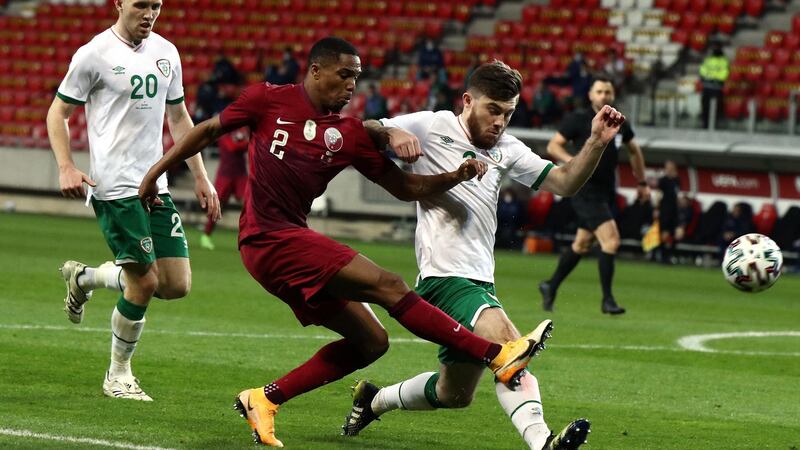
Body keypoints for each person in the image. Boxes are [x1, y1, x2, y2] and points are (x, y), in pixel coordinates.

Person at [138, 37, 546, 447]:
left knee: (372, 341)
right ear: (316, 70)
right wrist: (156, 173)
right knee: (389, 285)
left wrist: (453, 176)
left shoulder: (348, 134)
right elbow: (208, 129)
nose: (353, 85)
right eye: (345, 74)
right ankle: (494, 354)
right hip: (266, 237)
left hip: (290, 243)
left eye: (358, 77)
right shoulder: (267, 99)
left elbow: (404, 187)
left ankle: (264, 399)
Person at [342, 61, 628, 449]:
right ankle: (543, 442)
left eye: (508, 113)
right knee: (511, 349)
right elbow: (362, 129)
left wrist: (595, 142)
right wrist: (391, 130)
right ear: (467, 102)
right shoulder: (431, 124)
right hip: (444, 279)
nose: (500, 122)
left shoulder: (507, 148)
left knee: (453, 394)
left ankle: (372, 400)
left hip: (479, 280)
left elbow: (565, 182)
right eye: (493, 109)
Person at [45, 0, 220, 401]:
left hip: (153, 185)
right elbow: (58, 114)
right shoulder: (94, 54)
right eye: (141, 5)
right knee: (145, 282)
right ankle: (118, 374)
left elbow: (179, 119)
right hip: (114, 189)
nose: (150, 14)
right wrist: (66, 166)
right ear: (118, 4)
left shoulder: (167, 53)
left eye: (156, 6)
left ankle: (86, 278)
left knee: (176, 285)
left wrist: (201, 177)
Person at [538, 78, 649, 315]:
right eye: (599, 91)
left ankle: (550, 285)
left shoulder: (619, 121)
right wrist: (573, 163)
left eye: (608, 92)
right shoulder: (578, 119)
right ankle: (607, 300)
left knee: (582, 244)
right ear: (590, 95)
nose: (604, 96)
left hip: (605, 191)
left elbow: (634, 150)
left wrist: (641, 182)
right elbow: (553, 146)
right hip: (584, 190)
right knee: (611, 241)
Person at [200, 127, 249, 250]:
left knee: (249, 204)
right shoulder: (224, 131)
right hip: (225, 175)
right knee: (217, 205)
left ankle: (250, 236)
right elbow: (232, 147)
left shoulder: (243, 129)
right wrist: (245, 142)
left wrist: (243, 142)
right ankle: (206, 235)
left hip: (240, 174)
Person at [699, 42, 729, 129]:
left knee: (716, 108)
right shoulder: (708, 60)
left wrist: (715, 78)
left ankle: (714, 126)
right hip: (707, 87)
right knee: (705, 107)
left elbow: (724, 73)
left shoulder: (723, 61)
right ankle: (705, 125)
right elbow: (703, 70)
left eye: (716, 47)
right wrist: (706, 77)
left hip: (717, 88)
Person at [657, 160, 681, 263]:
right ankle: (663, 255)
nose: (668, 169)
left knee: (673, 233)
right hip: (664, 210)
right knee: (664, 232)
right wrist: (656, 209)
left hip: (674, 210)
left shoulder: (677, 180)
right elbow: (658, 195)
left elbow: (678, 195)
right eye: (667, 167)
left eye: (670, 167)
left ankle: (670, 254)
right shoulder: (663, 180)